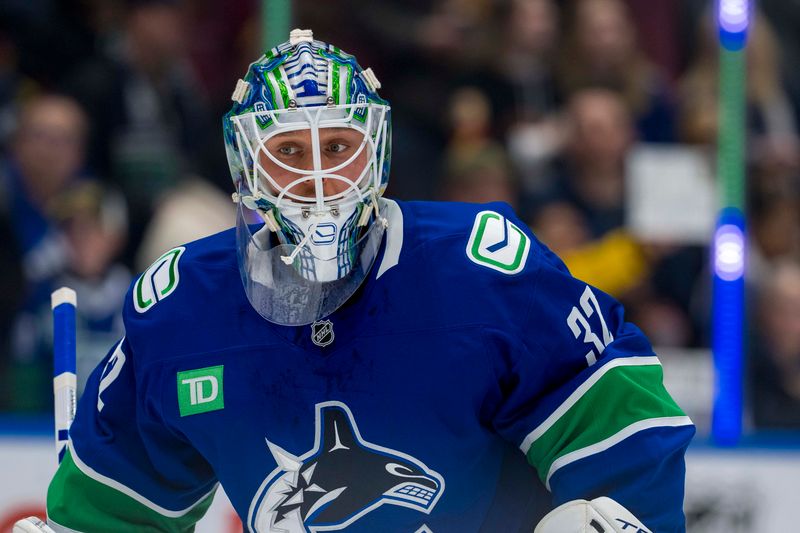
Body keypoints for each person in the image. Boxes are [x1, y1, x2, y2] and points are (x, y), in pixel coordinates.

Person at [20, 30, 694, 532]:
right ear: (245, 165)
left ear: (379, 152)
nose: (318, 178)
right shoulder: (178, 309)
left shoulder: (484, 268)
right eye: (288, 151)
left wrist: (621, 516)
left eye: (338, 147)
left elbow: (626, 425)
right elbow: (115, 507)